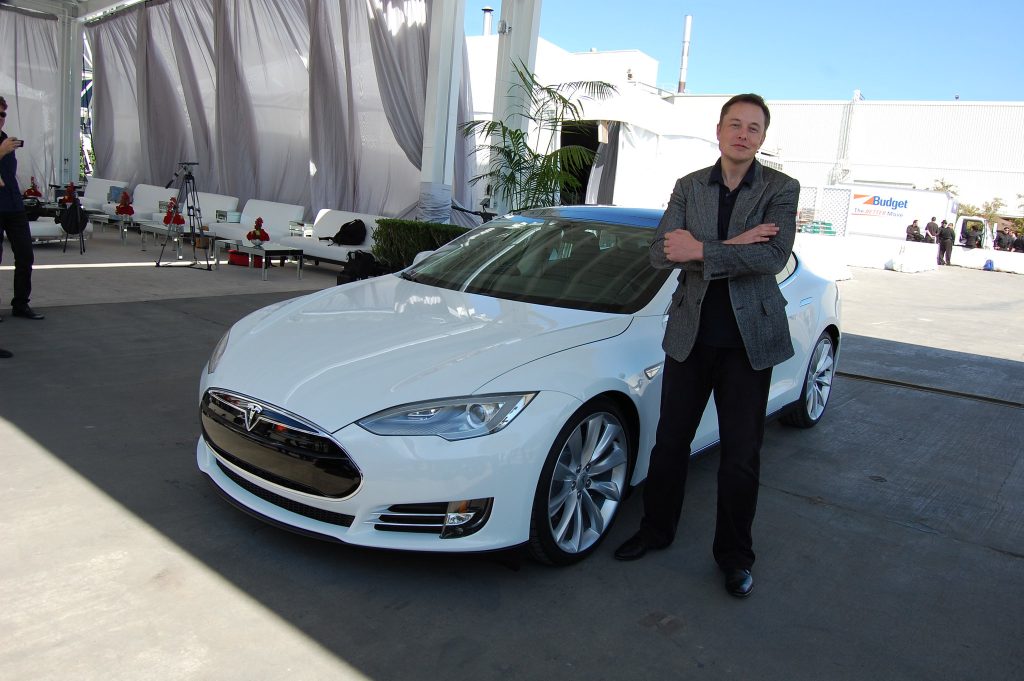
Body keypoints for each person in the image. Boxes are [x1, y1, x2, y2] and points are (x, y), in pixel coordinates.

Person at [614, 93, 799, 599]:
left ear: (762, 138)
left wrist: (699, 248)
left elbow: (774, 257)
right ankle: (656, 530)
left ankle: (735, 556)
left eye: (754, 128)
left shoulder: (782, 188)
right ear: (718, 131)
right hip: (690, 336)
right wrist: (738, 245)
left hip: (748, 344)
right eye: (735, 124)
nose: (743, 134)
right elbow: (659, 252)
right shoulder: (689, 185)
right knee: (670, 443)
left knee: (741, 456)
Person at [0, 95, 44, 321]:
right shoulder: (4, 145)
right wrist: (1, 151)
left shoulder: (7, 140)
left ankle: (21, 303)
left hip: (13, 204)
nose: (1, 118)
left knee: (26, 254)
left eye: (3, 114)